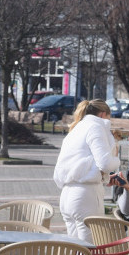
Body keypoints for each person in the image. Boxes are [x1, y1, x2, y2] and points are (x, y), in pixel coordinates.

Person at [53, 99, 121, 243]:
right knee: (88, 247)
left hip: (67, 194)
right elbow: (105, 163)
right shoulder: (96, 127)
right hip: (86, 195)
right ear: (103, 114)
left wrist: (103, 177)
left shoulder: (76, 128)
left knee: (74, 248)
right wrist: (117, 160)